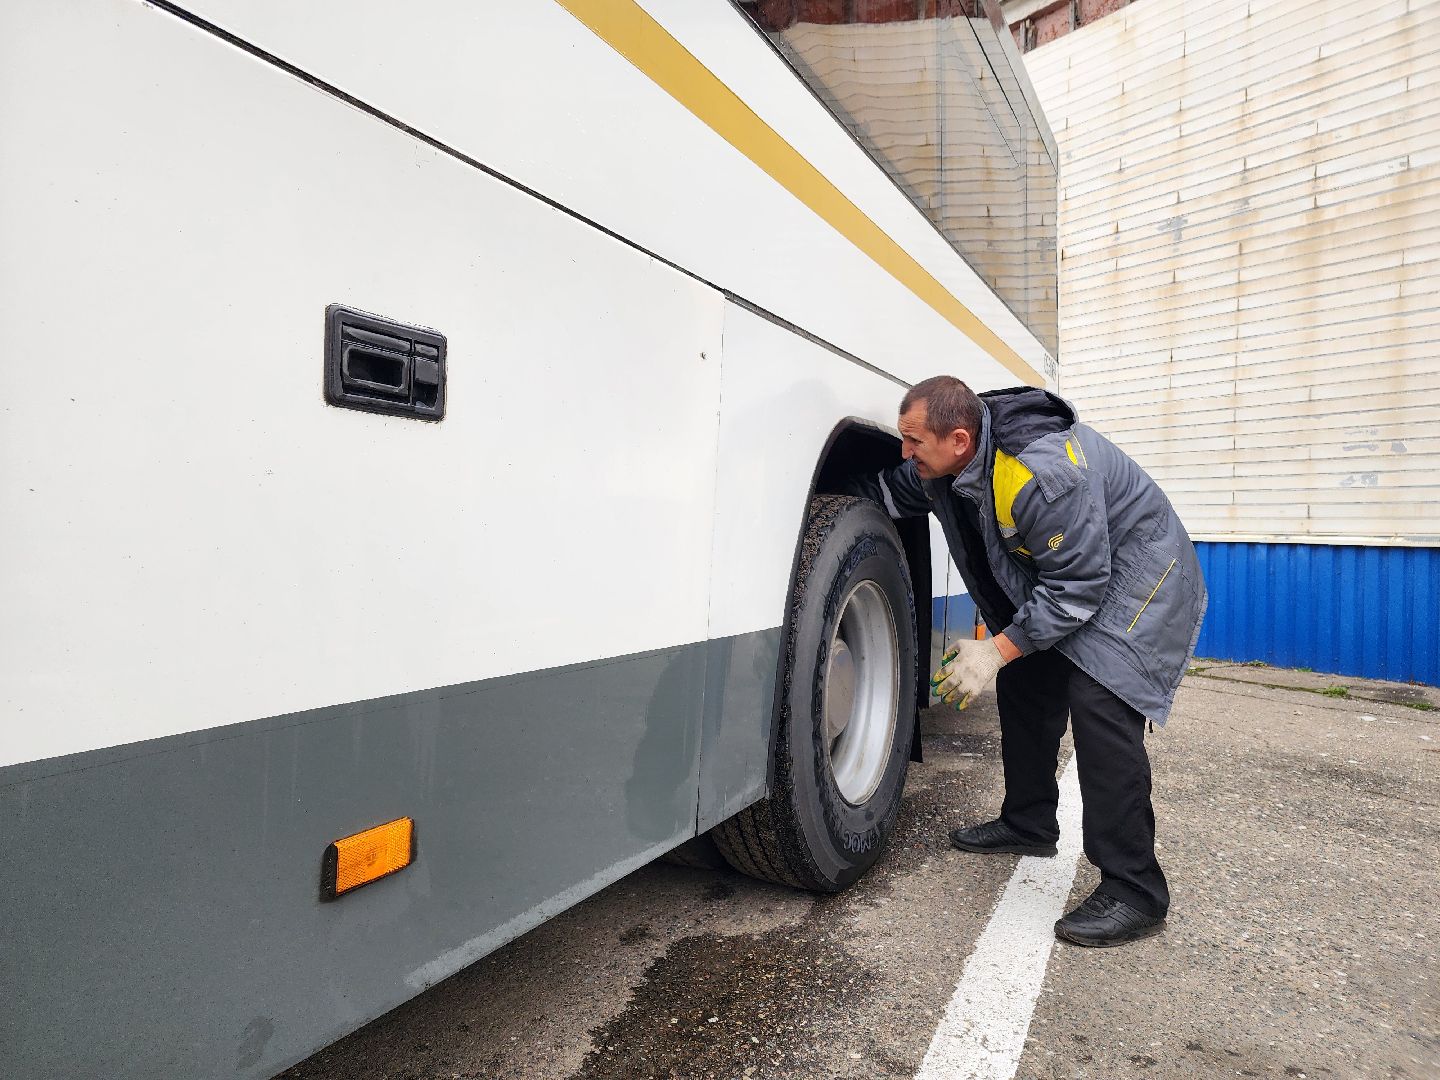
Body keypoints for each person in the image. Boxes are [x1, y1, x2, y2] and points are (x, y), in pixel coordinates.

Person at [849, 376, 1206, 947]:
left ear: (959, 440)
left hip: (1142, 579)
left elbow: (1080, 589)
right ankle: (1029, 821)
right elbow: (893, 490)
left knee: (1100, 704)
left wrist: (994, 648)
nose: (905, 452)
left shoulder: (1040, 476)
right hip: (1083, 577)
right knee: (1025, 679)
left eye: (913, 441)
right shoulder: (950, 467)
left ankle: (1136, 890)